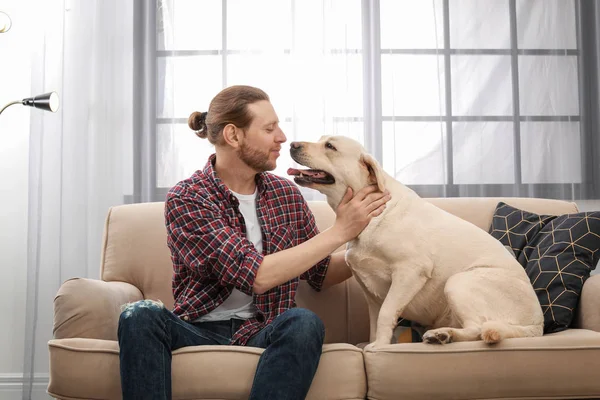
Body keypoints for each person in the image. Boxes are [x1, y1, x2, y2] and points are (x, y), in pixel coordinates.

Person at [117, 85, 391, 400]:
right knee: (139, 314)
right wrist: (341, 230)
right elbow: (255, 276)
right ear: (234, 136)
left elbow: (320, 274)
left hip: (266, 329)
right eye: (269, 128)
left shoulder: (286, 194)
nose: (283, 137)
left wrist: (376, 246)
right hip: (197, 331)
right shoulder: (189, 197)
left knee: (303, 321)